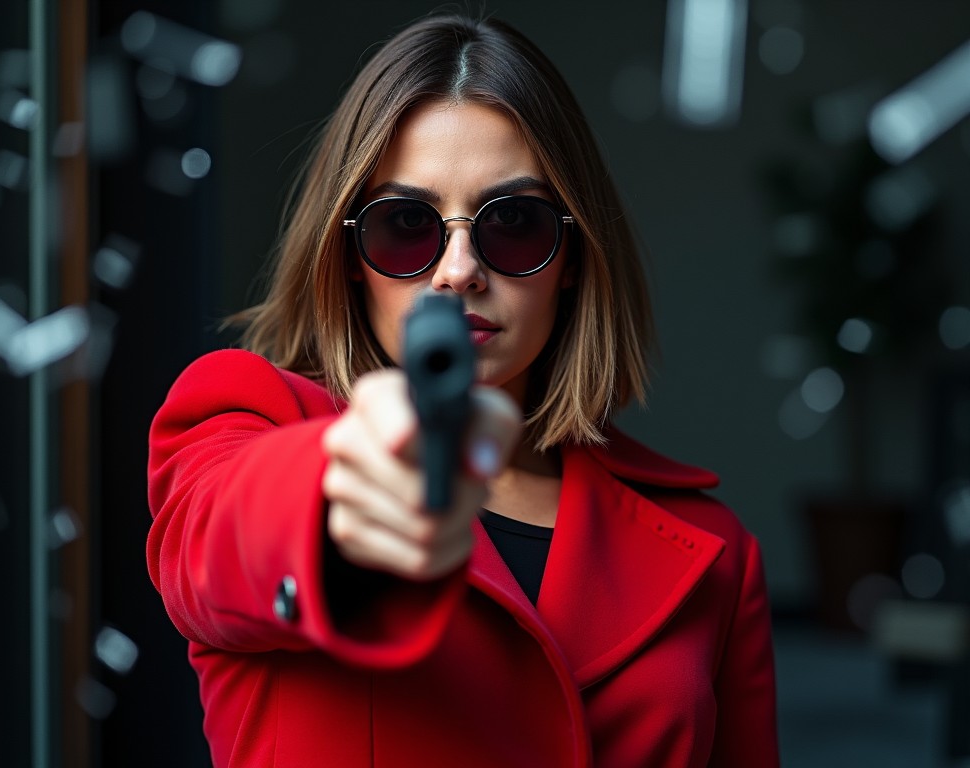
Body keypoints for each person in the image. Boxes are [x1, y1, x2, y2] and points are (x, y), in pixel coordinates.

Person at [146, 12, 779, 768]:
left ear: (572, 256)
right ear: (350, 255)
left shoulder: (715, 548)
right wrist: (335, 500)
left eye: (513, 222)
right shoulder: (249, 417)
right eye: (406, 224)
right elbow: (215, 546)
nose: (457, 269)